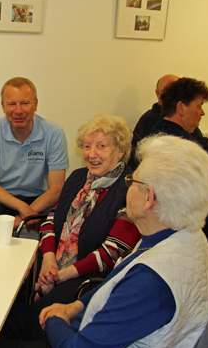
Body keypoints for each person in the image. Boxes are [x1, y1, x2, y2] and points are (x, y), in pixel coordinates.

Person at [0, 134, 208, 348]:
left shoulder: (153, 280)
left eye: (132, 182)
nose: (128, 186)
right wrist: (74, 307)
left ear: (149, 199)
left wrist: (55, 318)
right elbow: (114, 284)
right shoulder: (176, 238)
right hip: (99, 341)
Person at [35, 114, 140, 306]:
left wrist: (58, 276)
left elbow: (112, 253)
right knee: (10, 289)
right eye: (87, 146)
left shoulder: (131, 188)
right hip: (53, 264)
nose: (92, 155)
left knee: (39, 314)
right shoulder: (78, 177)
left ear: (120, 150)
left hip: (90, 278)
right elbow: (51, 219)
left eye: (101, 146)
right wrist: (48, 260)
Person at [148, 77, 208, 282]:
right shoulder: (174, 142)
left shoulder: (182, 131)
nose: (203, 112)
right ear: (181, 107)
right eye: (199, 106)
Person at [0, 77, 69, 233]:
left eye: (25, 103)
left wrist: (25, 216)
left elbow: (56, 189)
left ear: (35, 104)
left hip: (39, 198)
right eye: (11, 104)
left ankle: (45, 258)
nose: (18, 110)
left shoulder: (54, 133)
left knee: (63, 218)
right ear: (3, 106)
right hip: (3, 197)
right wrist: (22, 208)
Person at [128, 74, 179, 169]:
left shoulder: (185, 118)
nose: (171, 96)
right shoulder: (148, 121)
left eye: (175, 91)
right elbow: (139, 161)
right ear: (157, 94)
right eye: (165, 92)